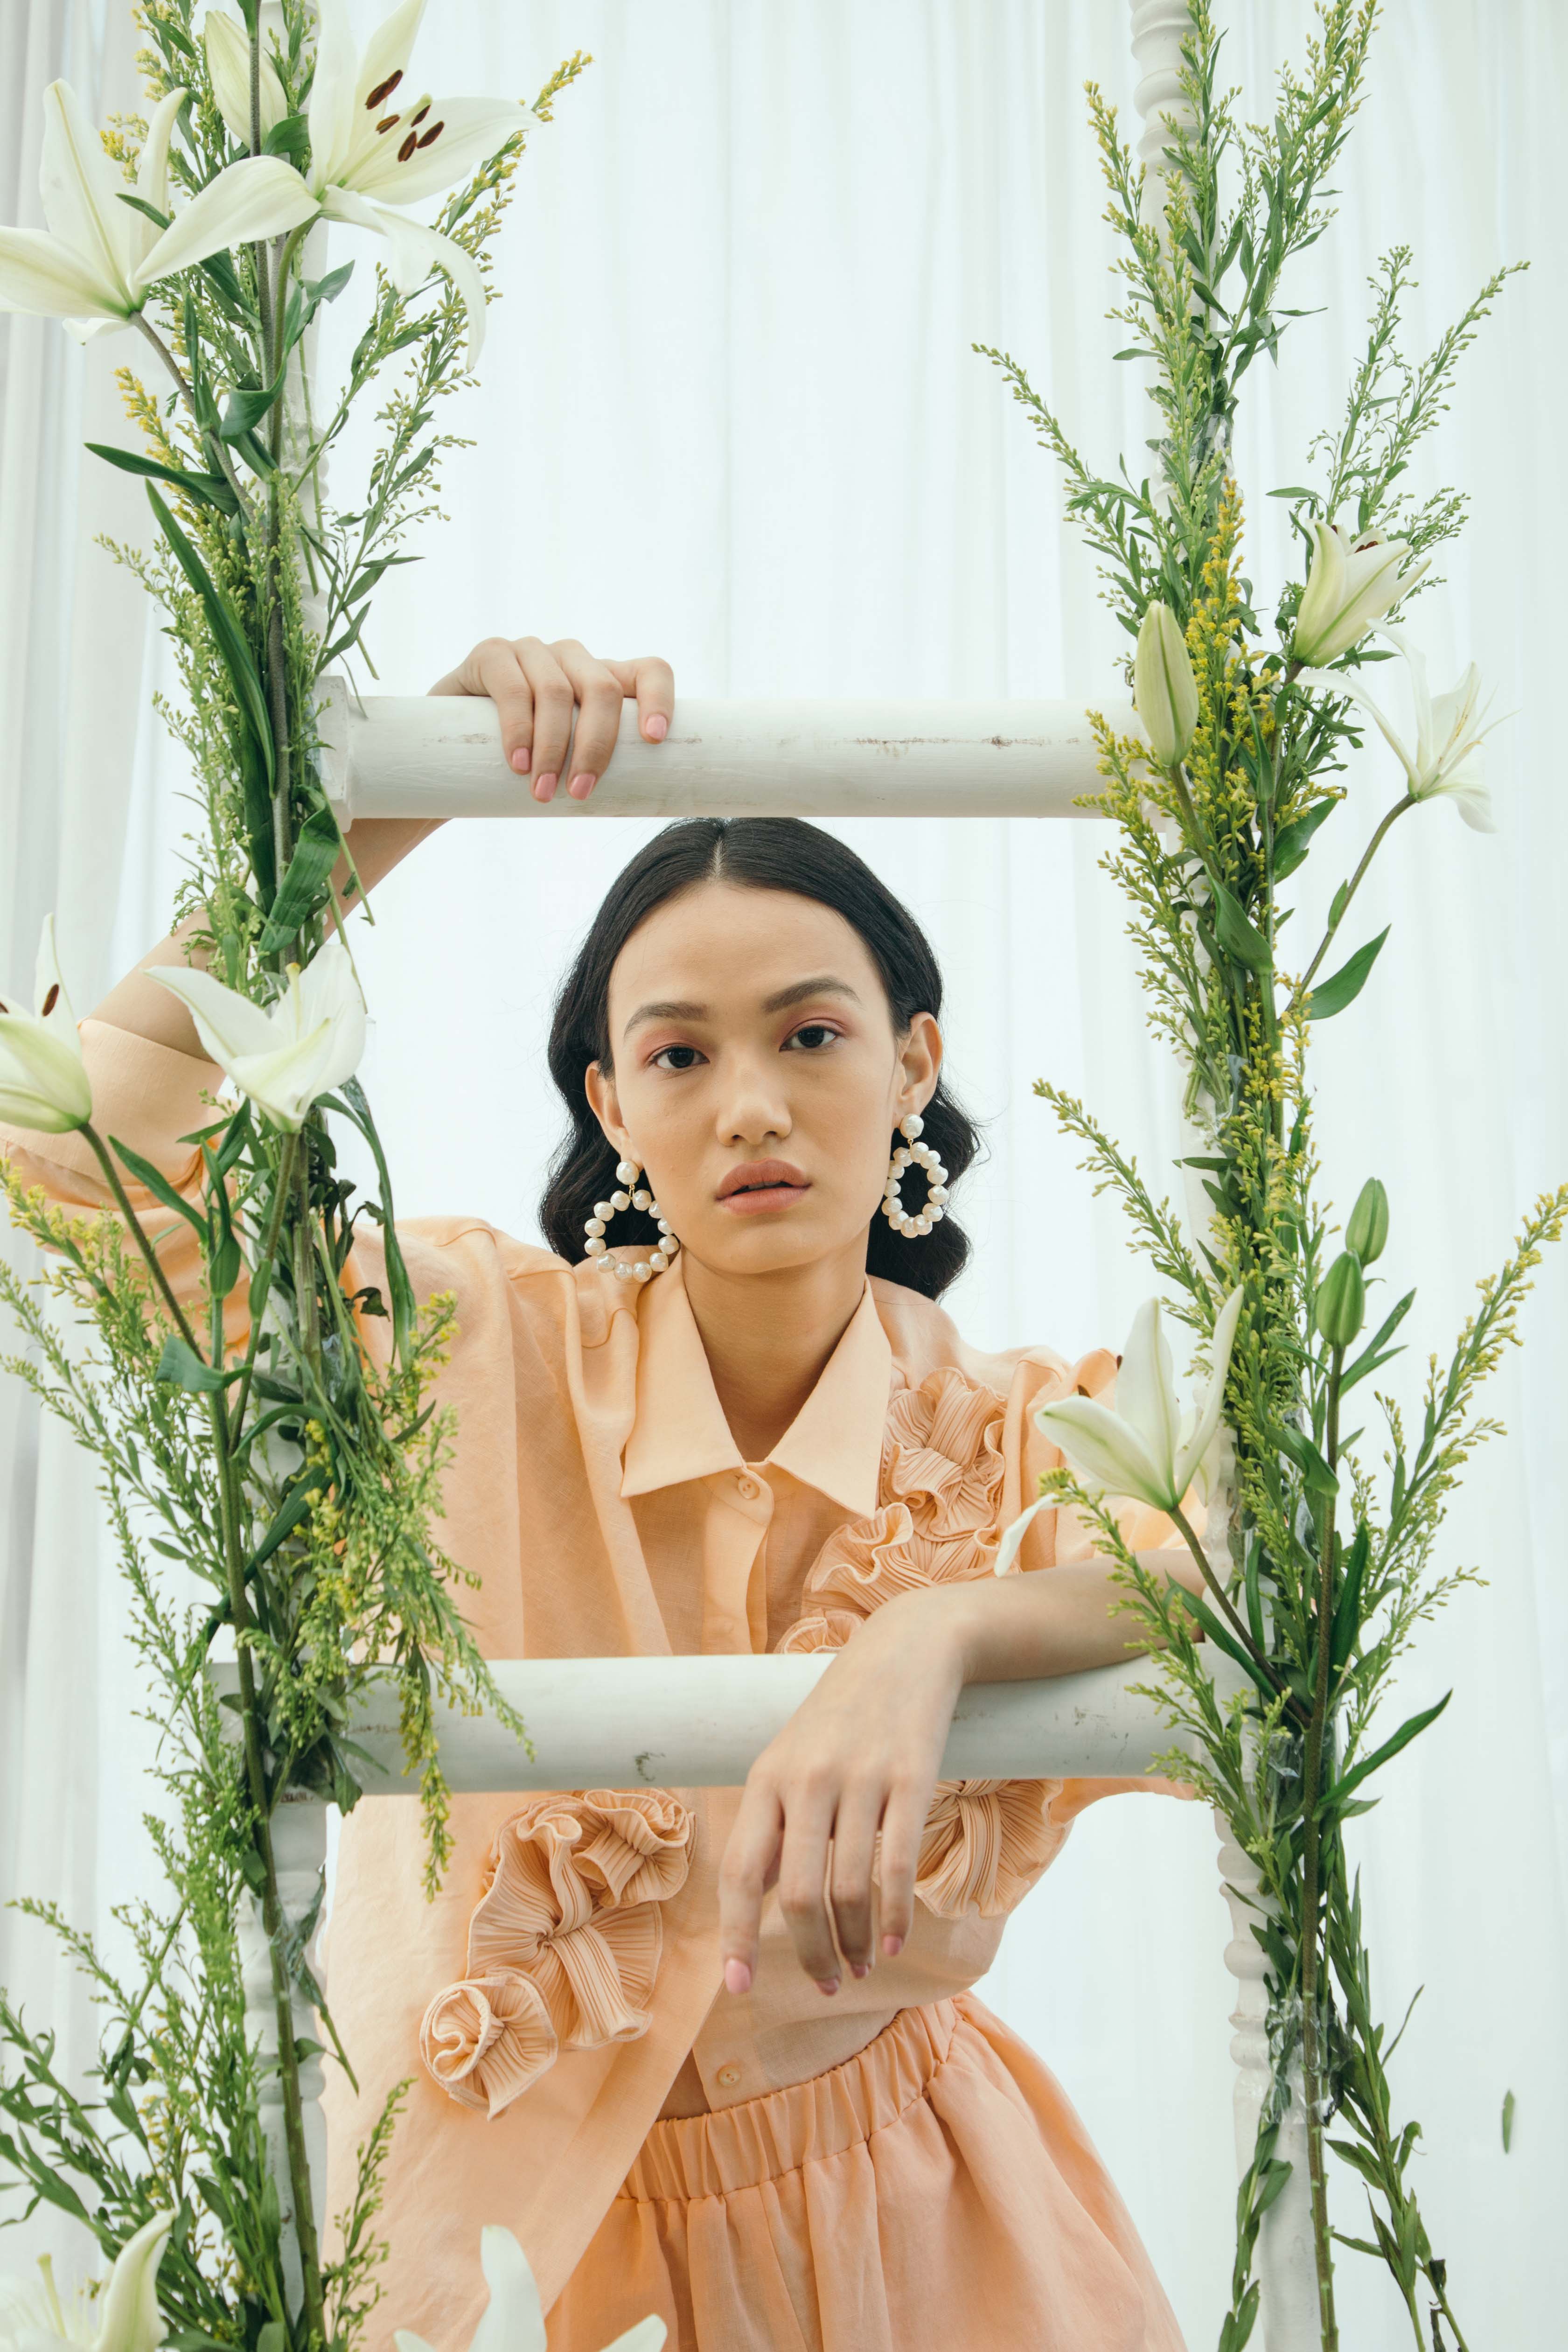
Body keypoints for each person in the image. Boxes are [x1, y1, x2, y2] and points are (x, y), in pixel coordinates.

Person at [6, 636, 1206, 2352]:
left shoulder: (1019, 1435)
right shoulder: (467, 1348)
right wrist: (379, 804)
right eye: (678, 1056)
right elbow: (73, 1152)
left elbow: (1248, 1567)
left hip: (931, 2244)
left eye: (811, 1033)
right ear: (609, 1104)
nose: (754, 1107)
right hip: (500, 2264)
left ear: (912, 1061)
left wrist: (933, 1632)